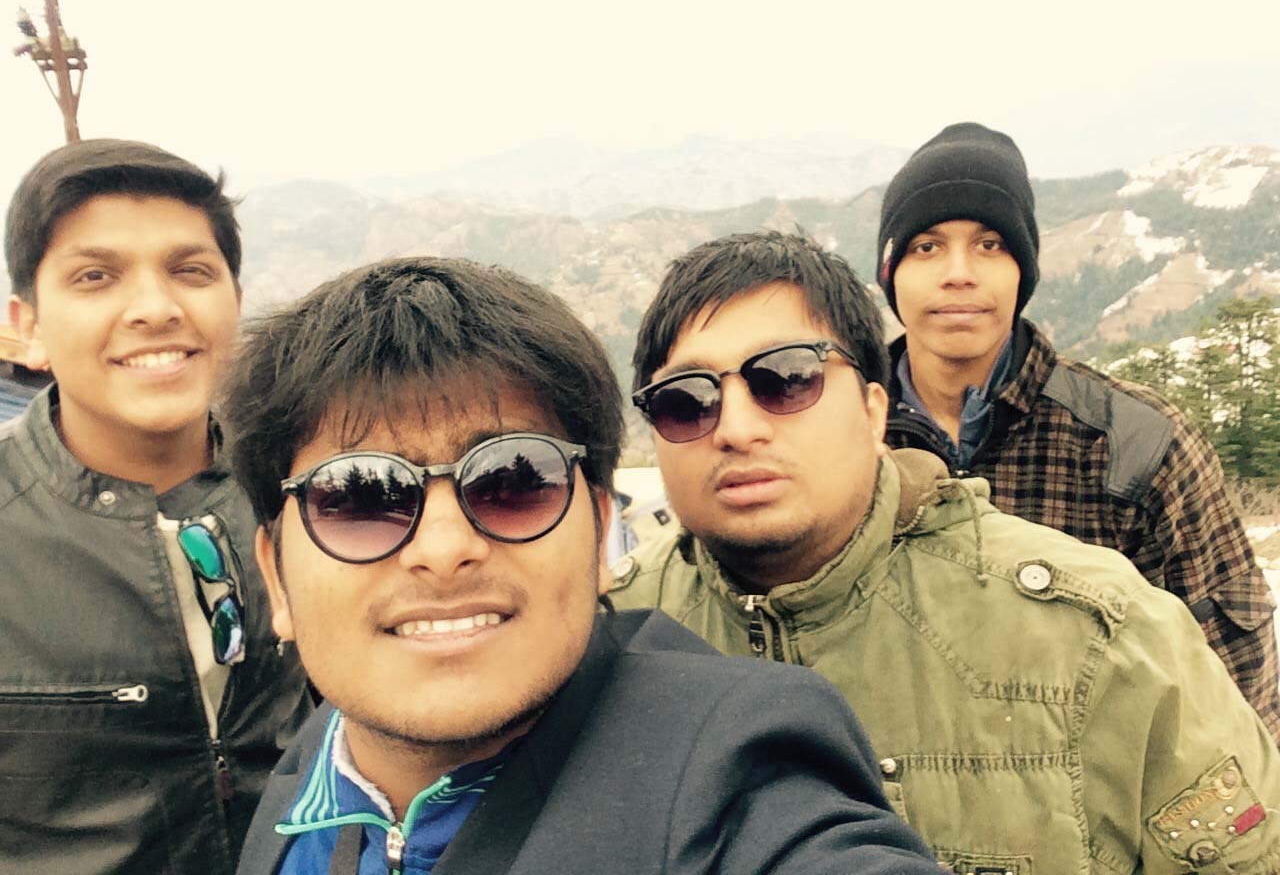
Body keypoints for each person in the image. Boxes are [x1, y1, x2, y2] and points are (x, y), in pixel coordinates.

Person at [222, 257, 937, 875]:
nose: (443, 549)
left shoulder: (731, 769)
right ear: (276, 576)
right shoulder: (313, 770)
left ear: (600, 537)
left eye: (512, 480)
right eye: (359, 497)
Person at [611, 229, 1280, 873]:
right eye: (686, 400)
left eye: (787, 378)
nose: (735, 427)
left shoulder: (1105, 639)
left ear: (874, 411)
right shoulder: (605, 640)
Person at [875, 122, 1280, 738]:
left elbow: (1238, 697)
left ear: (1023, 270)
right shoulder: (840, 436)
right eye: (926, 247)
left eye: (990, 245)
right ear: (890, 271)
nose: (958, 273)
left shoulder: (1136, 444)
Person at [0, 140, 312, 874]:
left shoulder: (308, 488)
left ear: (236, 301)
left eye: (190, 271)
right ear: (29, 325)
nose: (155, 309)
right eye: (95, 276)